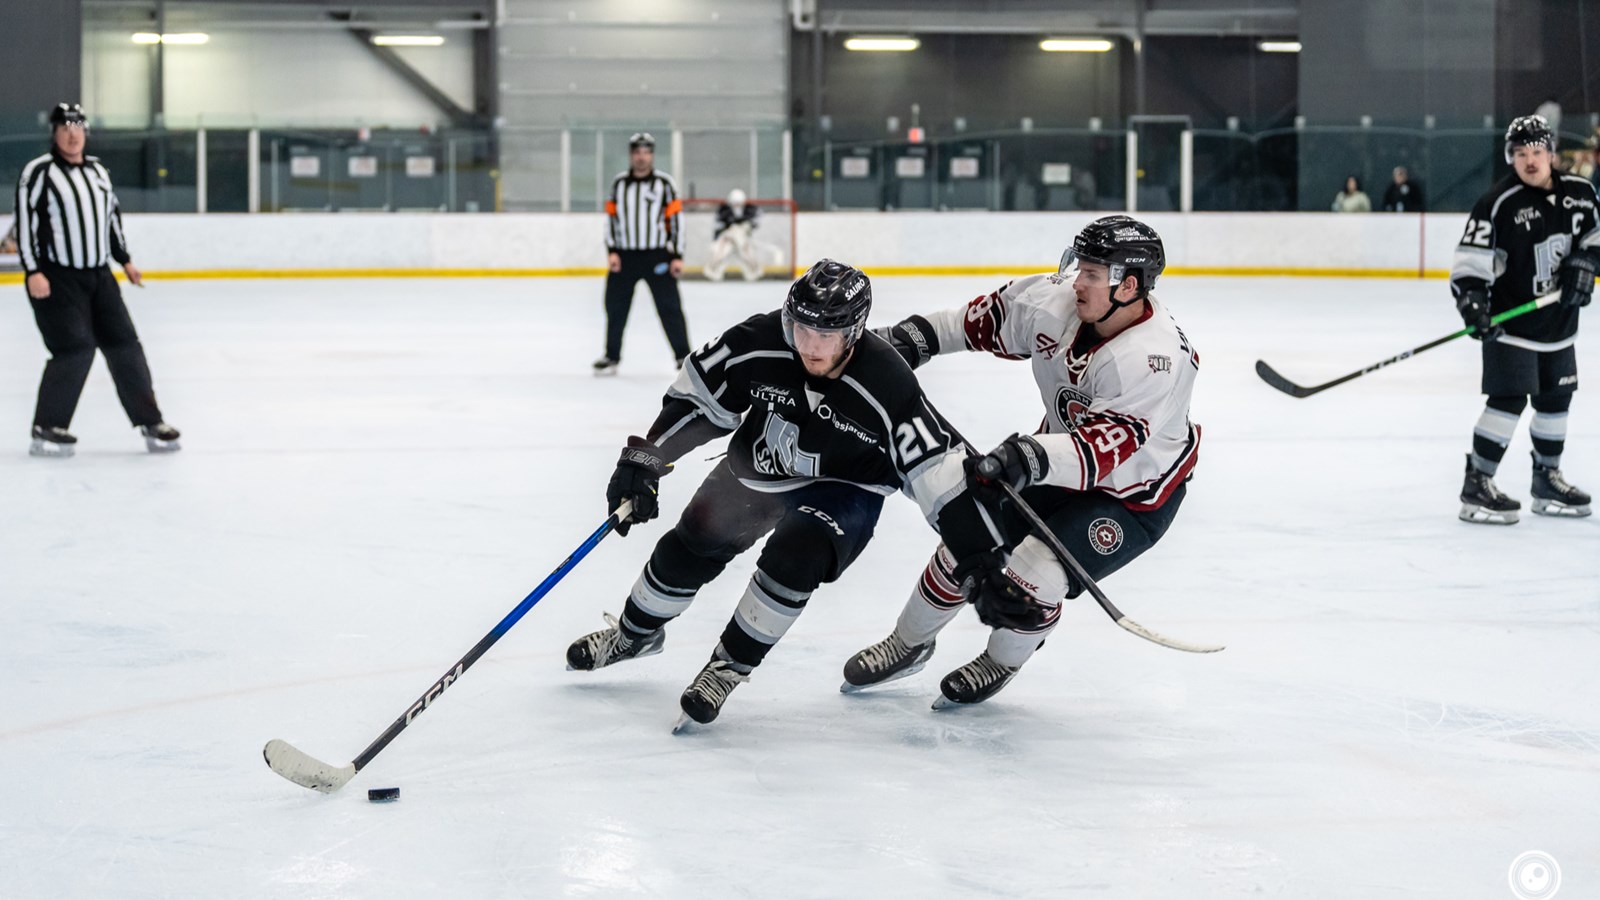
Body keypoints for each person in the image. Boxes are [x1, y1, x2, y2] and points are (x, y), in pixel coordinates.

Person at [565, 260, 1023, 730]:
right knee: (690, 545)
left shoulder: (888, 383)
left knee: (795, 557)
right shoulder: (758, 341)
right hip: (765, 465)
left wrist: (978, 563)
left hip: (848, 487)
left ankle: (727, 668)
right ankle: (633, 635)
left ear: (855, 331)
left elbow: (936, 473)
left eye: (825, 336)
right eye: (801, 329)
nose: (809, 346)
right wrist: (648, 459)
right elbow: (699, 399)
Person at [842, 216, 1201, 708]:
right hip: (1055, 459)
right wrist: (906, 341)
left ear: (1130, 285)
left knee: (1035, 573)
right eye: (1081, 268)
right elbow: (972, 323)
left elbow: (1098, 455)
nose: (1078, 281)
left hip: (1133, 494)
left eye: (1093, 274)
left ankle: (1001, 661)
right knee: (966, 541)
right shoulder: (1052, 302)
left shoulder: (1153, 359)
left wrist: (1021, 457)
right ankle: (908, 643)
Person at [1451, 114, 1597, 523]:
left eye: (1537, 152)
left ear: (1551, 153)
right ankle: (1477, 482)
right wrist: (1473, 306)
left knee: (1556, 399)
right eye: (1520, 154)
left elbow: (1594, 238)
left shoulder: (1582, 194)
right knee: (1509, 400)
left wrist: (1587, 260)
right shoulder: (1497, 203)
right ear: (1510, 158)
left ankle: (1547, 478)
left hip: (1559, 324)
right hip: (1511, 325)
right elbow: (1469, 266)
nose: (1530, 161)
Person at [15, 102, 179, 458]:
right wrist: (33, 271)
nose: (72, 135)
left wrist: (125, 260)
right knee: (75, 349)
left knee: (126, 345)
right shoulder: (38, 172)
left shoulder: (98, 172)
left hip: (100, 276)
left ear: (86, 132)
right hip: (57, 278)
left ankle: (151, 421)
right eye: (64, 128)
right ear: (54, 134)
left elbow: (111, 220)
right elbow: (25, 224)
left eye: (78, 128)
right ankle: (48, 426)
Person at [594, 132, 690, 376]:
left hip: (657, 256)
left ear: (652, 155)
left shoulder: (665, 184)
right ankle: (611, 356)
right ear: (631, 154)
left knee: (670, 307)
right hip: (624, 257)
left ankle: (683, 357)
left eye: (646, 152)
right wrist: (612, 251)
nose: (641, 157)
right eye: (637, 152)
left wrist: (677, 254)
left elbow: (676, 220)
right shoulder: (619, 184)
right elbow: (611, 221)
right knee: (615, 308)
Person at [703, 188, 766, 282]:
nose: (737, 205)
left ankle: (755, 271)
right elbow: (718, 226)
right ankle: (712, 270)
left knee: (747, 252)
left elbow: (755, 223)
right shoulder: (723, 211)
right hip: (727, 237)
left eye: (739, 203)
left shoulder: (750, 210)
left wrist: (743, 227)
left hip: (742, 238)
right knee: (720, 253)